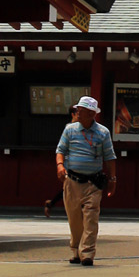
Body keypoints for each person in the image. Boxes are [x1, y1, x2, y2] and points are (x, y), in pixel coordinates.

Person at [55, 94, 116, 267]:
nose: (77, 113)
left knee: (91, 217)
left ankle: (87, 253)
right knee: (74, 218)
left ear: (91, 113)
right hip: (72, 181)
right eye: (77, 110)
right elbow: (61, 150)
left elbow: (110, 157)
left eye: (80, 110)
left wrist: (113, 178)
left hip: (93, 183)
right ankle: (75, 250)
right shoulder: (70, 130)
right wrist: (60, 165)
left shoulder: (103, 133)